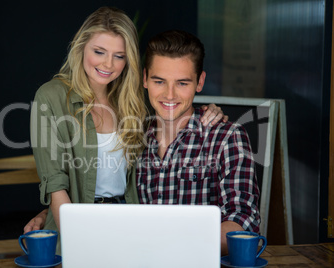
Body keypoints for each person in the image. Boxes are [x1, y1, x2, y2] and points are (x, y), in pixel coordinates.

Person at [29, 7, 227, 255]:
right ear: (81, 48)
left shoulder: (132, 100)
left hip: (130, 221)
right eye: (99, 52)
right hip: (77, 224)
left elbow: (173, 105)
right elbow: (55, 185)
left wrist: (209, 110)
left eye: (119, 56)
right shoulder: (51, 97)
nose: (107, 64)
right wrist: (77, 242)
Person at [136, 29, 260, 256]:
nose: (170, 94)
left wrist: (177, 247)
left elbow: (243, 221)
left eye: (182, 83)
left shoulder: (227, 137)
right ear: (145, 79)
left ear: (199, 82)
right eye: (159, 81)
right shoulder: (132, 139)